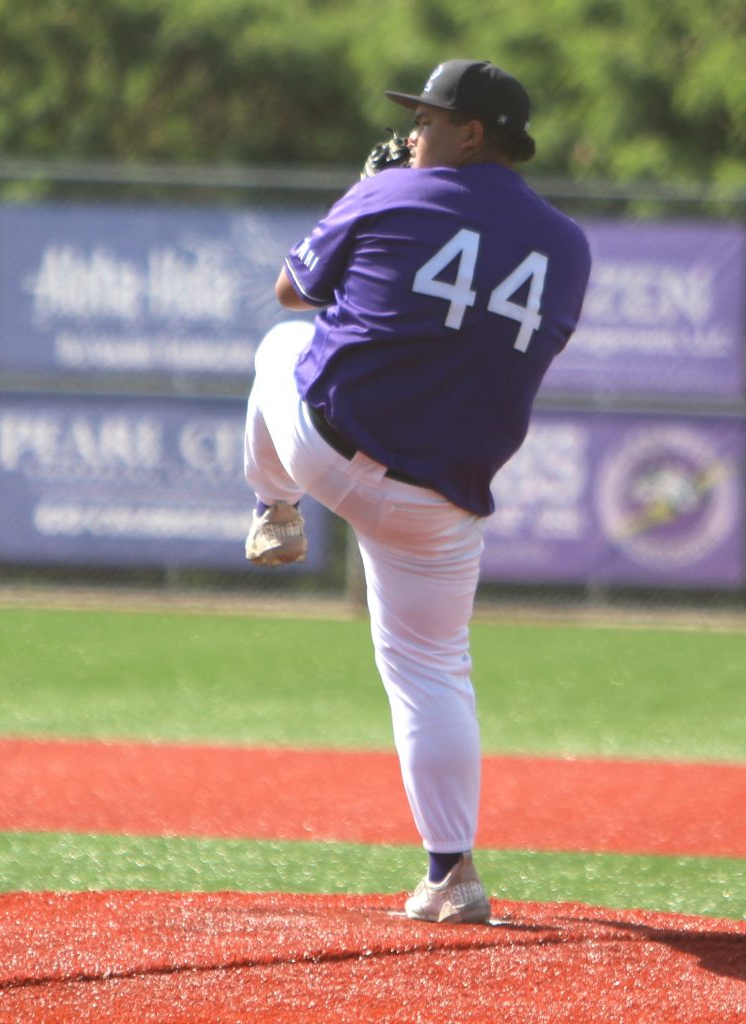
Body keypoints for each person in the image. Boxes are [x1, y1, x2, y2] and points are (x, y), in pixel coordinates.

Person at [243, 59, 592, 923]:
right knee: (432, 672)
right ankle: (453, 874)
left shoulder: (391, 191)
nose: (412, 134)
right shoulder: (569, 245)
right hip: (440, 502)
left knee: (279, 345)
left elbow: (294, 290)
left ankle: (273, 507)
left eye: (429, 120)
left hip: (328, 450)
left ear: (472, 133)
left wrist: (357, 200)